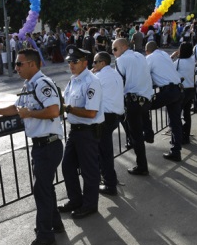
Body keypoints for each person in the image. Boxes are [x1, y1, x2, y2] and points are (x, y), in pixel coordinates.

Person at [0, 48, 64, 245]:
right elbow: (17, 108)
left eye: (19, 64)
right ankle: (55, 224)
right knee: (45, 189)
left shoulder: (42, 84)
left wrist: (31, 114)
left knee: (42, 191)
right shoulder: (30, 84)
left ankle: (45, 237)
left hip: (49, 145)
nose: (16, 67)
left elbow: (54, 111)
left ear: (32, 64)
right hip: (41, 146)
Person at [58, 45, 104, 219]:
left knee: (89, 170)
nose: (71, 64)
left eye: (75, 61)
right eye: (69, 61)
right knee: (67, 166)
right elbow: (67, 102)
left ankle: (90, 205)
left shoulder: (91, 82)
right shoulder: (74, 80)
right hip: (75, 131)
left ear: (85, 63)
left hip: (87, 132)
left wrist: (68, 108)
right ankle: (75, 200)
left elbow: (91, 113)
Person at [112, 38, 154, 174]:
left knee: (136, 136)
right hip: (146, 99)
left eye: (115, 49)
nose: (113, 52)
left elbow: (117, 82)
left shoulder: (121, 60)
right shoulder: (140, 56)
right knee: (138, 130)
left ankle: (142, 166)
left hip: (133, 101)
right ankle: (148, 133)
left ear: (124, 47)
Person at [92, 51, 124, 195]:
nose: (93, 65)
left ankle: (110, 184)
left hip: (105, 118)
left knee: (104, 152)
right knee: (105, 150)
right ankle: (109, 179)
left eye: (95, 62)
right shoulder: (115, 73)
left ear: (102, 63)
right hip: (115, 116)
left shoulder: (98, 76)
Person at [145, 41, 184, 161]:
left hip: (168, 91)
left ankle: (148, 133)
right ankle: (176, 150)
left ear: (147, 51)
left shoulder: (149, 58)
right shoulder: (164, 54)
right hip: (178, 89)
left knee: (144, 105)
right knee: (175, 121)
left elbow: (145, 75)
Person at [172, 42, 196, 145]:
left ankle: (178, 137)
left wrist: (172, 56)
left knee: (176, 115)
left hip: (181, 89)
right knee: (187, 114)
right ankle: (186, 136)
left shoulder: (178, 62)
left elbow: (168, 67)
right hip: (191, 88)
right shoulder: (192, 61)